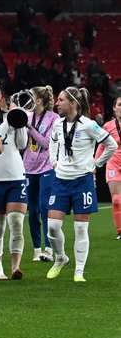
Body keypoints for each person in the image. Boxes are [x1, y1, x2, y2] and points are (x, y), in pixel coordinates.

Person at [46, 87, 117, 282]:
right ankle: (60, 258)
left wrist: (97, 164)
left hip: (82, 181)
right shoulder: (57, 124)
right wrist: (54, 161)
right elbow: (52, 143)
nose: (57, 103)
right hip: (60, 180)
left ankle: (79, 271)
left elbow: (112, 144)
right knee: (52, 226)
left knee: (80, 228)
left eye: (60, 100)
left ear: (73, 103)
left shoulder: (89, 125)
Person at [0, 83, 29, 280]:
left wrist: (19, 121)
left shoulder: (11, 116)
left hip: (16, 176)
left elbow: (21, 144)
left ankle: (15, 267)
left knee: (16, 222)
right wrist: (7, 123)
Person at [24, 86, 59, 260]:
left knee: (45, 206)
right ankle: (37, 249)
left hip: (46, 167)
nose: (28, 99)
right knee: (32, 209)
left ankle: (49, 248)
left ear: (38, 100)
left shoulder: (55, 118)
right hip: (28, 167)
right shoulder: (27, 116)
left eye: (31, 96)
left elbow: (46, 143)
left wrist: (30, 129)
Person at [96, 97, 121, 239]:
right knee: (117, 200)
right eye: (119, 105)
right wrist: (95, 164)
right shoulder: (108, 126)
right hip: (113, 164)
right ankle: (120, 230)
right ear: (114, 108)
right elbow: (102, 145)